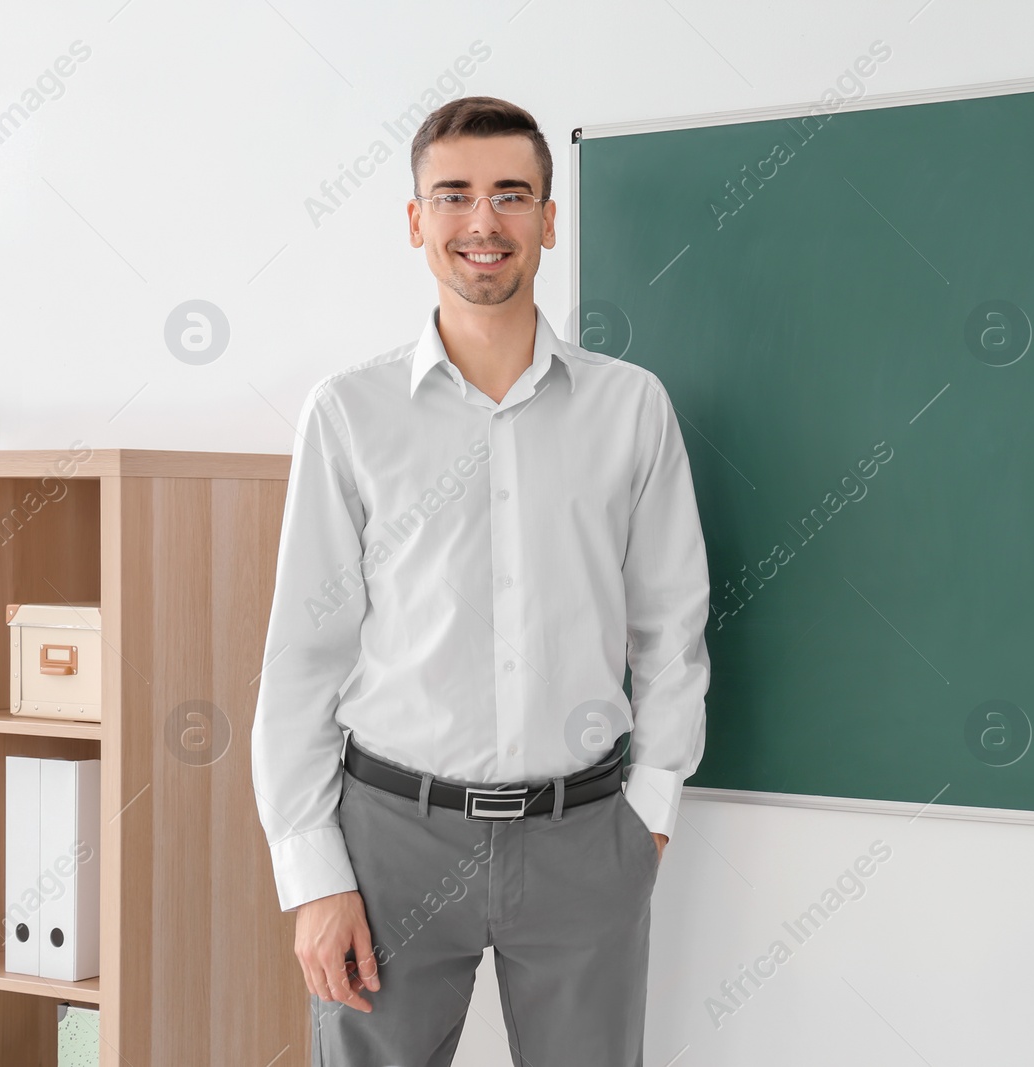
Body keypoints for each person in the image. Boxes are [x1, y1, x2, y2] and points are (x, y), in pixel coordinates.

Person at [251, 95, 711, 1067]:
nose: (483, 222)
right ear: (416, 222)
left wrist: (650, 817)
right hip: (386, 841)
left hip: (585, 834)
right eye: (453, 195)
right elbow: (303, 654)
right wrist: (311, 874)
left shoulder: (630, 409)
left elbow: (671, 631)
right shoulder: (348, 413)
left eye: (511, 195)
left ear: (549, 219)